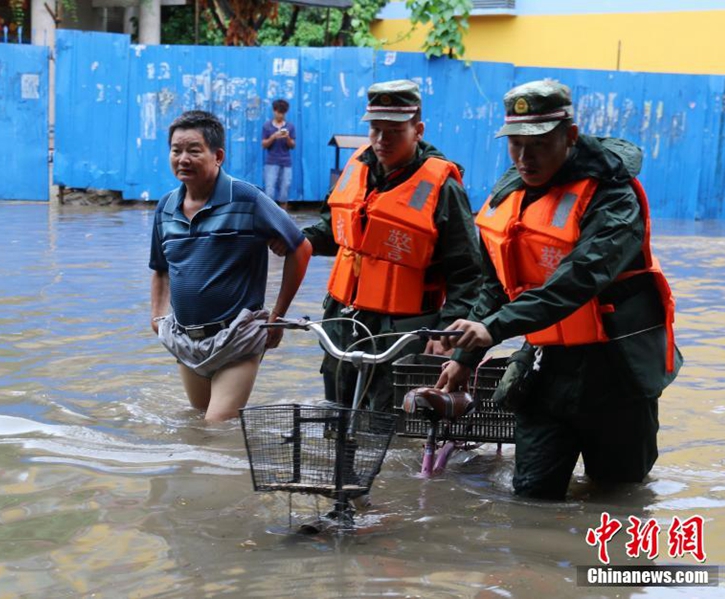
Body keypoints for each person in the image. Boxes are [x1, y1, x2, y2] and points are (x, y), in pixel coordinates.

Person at [436, 80, 683, 499]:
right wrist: (464, 355)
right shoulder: (511, 192)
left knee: (619, 499)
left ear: (569, 136)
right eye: (514, 144)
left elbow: (577, 281)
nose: (524, 157)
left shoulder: (613, 197)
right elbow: (495, 283)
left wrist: (494, 329)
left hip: (615, 375)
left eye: (537, 144)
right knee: (531, 499)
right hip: (545, 370)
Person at [300, 80, 484, 413]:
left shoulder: (442, 187)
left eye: (394, 131)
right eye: (376, 129)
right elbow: (335, 228)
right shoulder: (359, 166)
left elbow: (468, 272)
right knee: (336, 414)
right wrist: (300, 240)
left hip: (401, 330)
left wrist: (446, 332)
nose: (382, 140)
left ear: (418, 130)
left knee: (389, 423)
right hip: (343, 321)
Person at [150, 110, 312, 422]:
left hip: (237, 337)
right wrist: (156, 316)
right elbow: (160, 268)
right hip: (186, 339)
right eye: (176, 150)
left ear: (218, 155)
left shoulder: (247, 198)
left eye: (194, 150)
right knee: (197, 423)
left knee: (216, 426)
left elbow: (301, 248)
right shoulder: (166, 207)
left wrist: (277, 317)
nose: (183, 158)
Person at [261, 98, 296, 205]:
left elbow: (293, 146)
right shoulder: (267, 126)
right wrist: (273, 137)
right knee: (269, 190)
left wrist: (288, 138)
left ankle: (283, 216)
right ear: (274, 111)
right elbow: (263, 145)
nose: (280, 115)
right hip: (271, 161)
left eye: (283, 113)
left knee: (285, 189)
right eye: (278, 112)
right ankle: (269, 217)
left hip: (286, 162)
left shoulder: (290, 127)